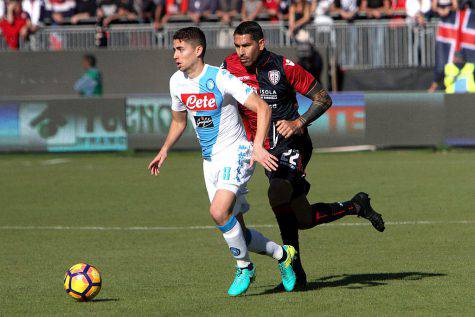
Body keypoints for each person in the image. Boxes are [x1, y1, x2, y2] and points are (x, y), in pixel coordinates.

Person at [222, 21, 385, 287]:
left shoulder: (284, 68)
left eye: (247, 45)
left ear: (260, 44)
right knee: (303, 219)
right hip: (262, 147)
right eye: (237, 45)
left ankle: (294, 270)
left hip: (292, 144)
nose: (241, 51)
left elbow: (323, 98)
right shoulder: (228, 67)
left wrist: (298, 123)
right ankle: (356, 205)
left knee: (277, 191)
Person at [147, 27, 298, 297]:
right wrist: (165, 149)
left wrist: (256, 148)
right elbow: (179, 121)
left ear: (198, 50)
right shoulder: (176, 82)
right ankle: (283, 255)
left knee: (218, 212)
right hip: (210, 162)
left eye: (180, 49)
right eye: (174, 49)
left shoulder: (221, 78)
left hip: (236, 152)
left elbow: (262, 107)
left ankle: (244, 268)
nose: (175, 55)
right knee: (236, 228)